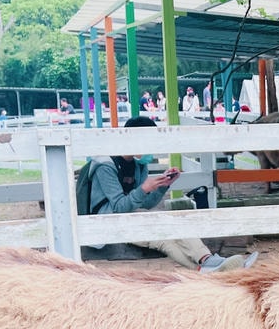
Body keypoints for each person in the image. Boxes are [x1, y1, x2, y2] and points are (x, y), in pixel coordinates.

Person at [85, 115, 257, 272]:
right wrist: (144, 188)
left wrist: (162, 186)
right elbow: (119, 207)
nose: (151, 149)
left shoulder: (139, 164)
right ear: (134, 139)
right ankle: (210, 263)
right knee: (167, 230)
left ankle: (208, 267)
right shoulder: (105, 166)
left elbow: (145, 204)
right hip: (107, 222)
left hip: (132, 217)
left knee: (167, 235)